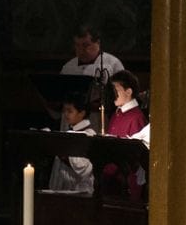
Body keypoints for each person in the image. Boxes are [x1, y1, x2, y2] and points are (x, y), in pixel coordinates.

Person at [104, 70, 149, 200]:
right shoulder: (117, 113)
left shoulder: (136, 117)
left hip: (125, 182)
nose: (112, 94)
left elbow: (136, 154)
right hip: (111, 178)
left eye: (115, 90)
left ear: (128, 92)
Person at [46, 96, 96, 194]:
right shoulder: (70, 132)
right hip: (67, 187)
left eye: (69, 111)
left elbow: (84, 167)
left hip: (82, 189)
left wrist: (61, 151)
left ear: (82, 113)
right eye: (64, 111)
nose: (66, 114)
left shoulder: (89, 134)